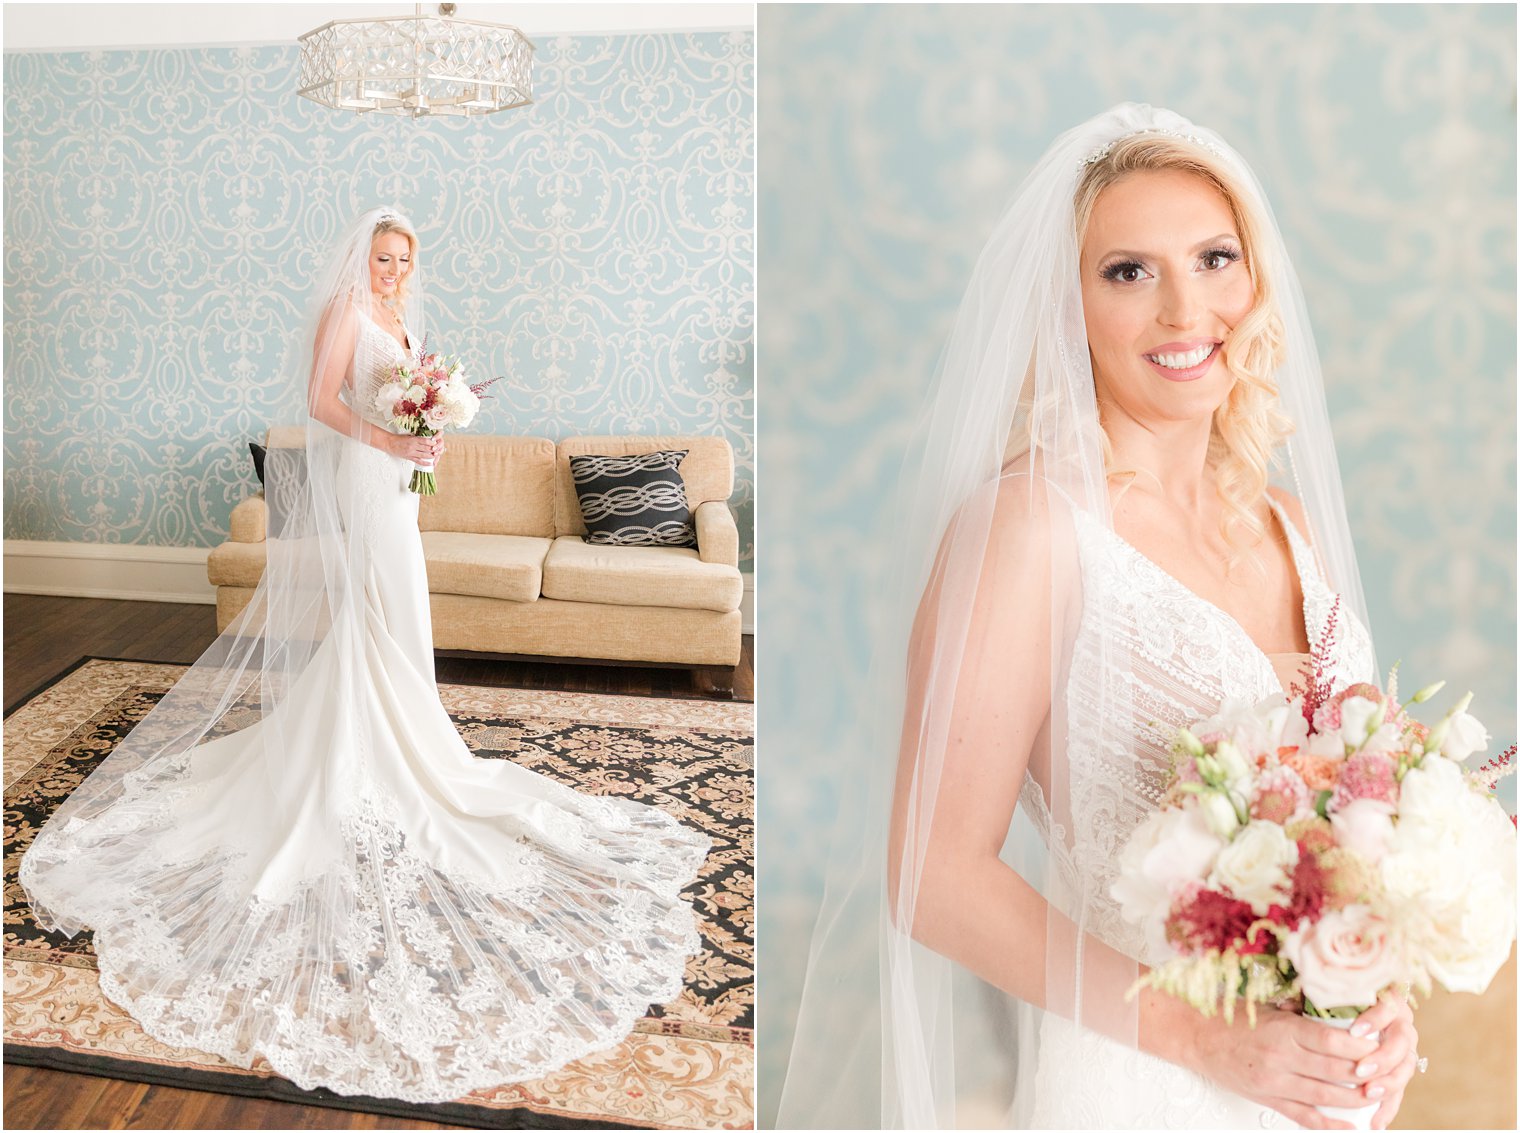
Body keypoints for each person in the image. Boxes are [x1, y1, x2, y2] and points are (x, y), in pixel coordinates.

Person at [778, 106, 1421, 1128]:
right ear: (1066, 306)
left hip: (1308, 1080)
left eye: (1214, 258)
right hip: (1140, 1077)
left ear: (1253, 279)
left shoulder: (1289, 523)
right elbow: (930, 873)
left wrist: (1376, 993)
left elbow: (1347, 829)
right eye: (1127, 271)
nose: (1183, 307)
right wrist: (1205, 1038)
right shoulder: (1027, 527)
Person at [19, 206, 712, 1104]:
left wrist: (427, 429)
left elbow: (407, 388)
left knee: (397, 616)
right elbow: (321, 401)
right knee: (385, 611)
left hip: (400, 480)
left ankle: (403, 738)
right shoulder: (344, 313)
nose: (392, 270)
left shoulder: (400, 319)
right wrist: (391, 437)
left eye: (403, 259)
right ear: (361, 256)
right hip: (365, 474)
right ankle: (375, 752)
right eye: (383, 257)